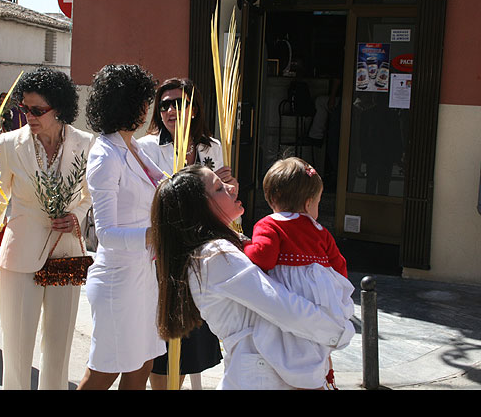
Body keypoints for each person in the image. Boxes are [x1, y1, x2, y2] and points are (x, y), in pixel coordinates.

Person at [151, 165, 355, 390]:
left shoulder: (225, 247)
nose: (232, 187)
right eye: (219, 188)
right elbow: (280, 305)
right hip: (262, 374)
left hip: (267, 369)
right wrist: (338, 331)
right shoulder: (215, 255)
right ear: (201, 207)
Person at [0, 67, 95, 390]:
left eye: (38, 110)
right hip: (20, 258)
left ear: (60, 109)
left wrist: (76, 216)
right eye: (25, 108)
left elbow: (89, 196)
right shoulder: (9, 144)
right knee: (17, 355)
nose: (30, 116)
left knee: (58, 353)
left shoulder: (85, 143)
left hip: (66, 254)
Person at [77, 64, 166, 390]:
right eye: (144, 101)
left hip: (144, 277)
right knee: (103, 373)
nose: (148, 109)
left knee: (142, 365)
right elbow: (107, 234)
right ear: (126, 104)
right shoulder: (105, 155)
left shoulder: (136, 147)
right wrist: (154, 235)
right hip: (118, 281)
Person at [137, 78, 230, 389]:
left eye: (178, 103)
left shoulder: (211, 148)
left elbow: (220, 199)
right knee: (164, 337)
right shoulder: (146, 148)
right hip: (163, 255)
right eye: (164, 104)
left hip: (200, 254)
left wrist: (227, 188)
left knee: (195, 336)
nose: (171, 110)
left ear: (194, 109)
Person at [242, 156, 355, 388]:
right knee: (314, 347)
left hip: (288, 298)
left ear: (272, 198)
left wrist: (244, 246)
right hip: (319, 302)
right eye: (318, 203)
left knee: (285, 346)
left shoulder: (268, 224)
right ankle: (319, 378)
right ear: (308, 203)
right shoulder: (321, 231)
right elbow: (339, 267)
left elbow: (262, 258)